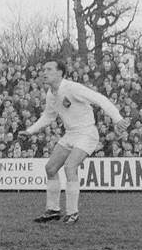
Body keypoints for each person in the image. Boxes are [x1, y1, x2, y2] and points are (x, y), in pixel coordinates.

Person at [25, 58, 125, 225]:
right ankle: (53, 210)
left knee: (70, 167)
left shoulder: (72, 88)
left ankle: (73, 213)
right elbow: (48, 116)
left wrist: (117, 118)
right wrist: (29, 131)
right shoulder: (51, 94)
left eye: (49, 69)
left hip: (87, 133)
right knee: (50, 168)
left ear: (60, 73)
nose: (44, 72)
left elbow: (99, 98)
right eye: (43, 69)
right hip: (70, 134)